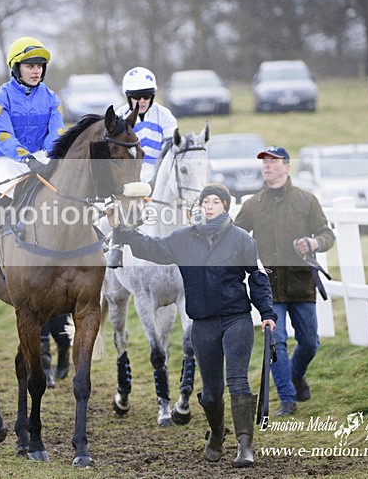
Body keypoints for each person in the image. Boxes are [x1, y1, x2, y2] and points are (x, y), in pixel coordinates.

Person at [107, 183, 276, 467]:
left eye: (215, 201)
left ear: (225, 206)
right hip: (203, 322)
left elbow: (257, 278)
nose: (209, 205)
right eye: (205, 201)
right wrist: (122, 232)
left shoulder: (241, 240)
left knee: (237, 380)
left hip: (236, 318)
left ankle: (245, 446)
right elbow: (152, 248)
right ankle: (217, 437)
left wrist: (267, 312)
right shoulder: (184, 239)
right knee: (211, 391)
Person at [234, 146, 335, 417]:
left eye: (273, 161)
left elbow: (327, 233)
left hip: (302, 283)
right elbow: (235, 237)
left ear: (287, 166)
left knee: (309, 342)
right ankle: (287, 400)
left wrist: (315, 242)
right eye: (264, 162)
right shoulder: (252, 204)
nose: (267, 166)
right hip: (268, 288)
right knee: (276, 343)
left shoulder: (307, 200)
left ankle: (296, 376)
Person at [0, 36, 65, 264]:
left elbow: (57, 132)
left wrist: (50, 155)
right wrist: (25, 157)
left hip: (41, 155)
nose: (36, 71)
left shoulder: (51, 97)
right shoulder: (1, 97)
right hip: (9, 158)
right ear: (16, 68)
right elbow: (2, 135)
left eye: (39, 66)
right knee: (6, 187)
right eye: (30, 66)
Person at [106, 66, 179, 267]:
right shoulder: (119, 117)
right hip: (128, 179)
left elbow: (170, 150)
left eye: (147, 96)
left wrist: (156, 179)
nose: (143, 101)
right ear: (128, 97)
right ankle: (116, 246)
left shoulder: (165, 116)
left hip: (158, 177)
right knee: (115, 205)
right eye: (137, 96)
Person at [40, 313, 71, 388]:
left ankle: (63, 365)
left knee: (64, 339)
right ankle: (46, 372)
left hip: (61, 307)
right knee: (42, 340)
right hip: (40, 308)